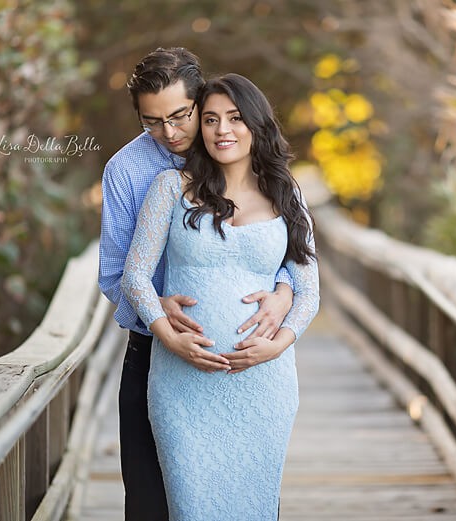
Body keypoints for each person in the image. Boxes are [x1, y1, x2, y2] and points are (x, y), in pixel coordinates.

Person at [98, 48, 296, 521]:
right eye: (152, 122)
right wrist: (158, 311)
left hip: (249, 371)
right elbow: (115, 275)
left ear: (200, 99)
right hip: (155, 356)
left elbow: (281, 247)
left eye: (181, 115)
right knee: (152, 504)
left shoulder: (244, 156)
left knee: (241, 498)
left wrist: (285, 293)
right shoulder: (128, 172)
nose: (170, 133)